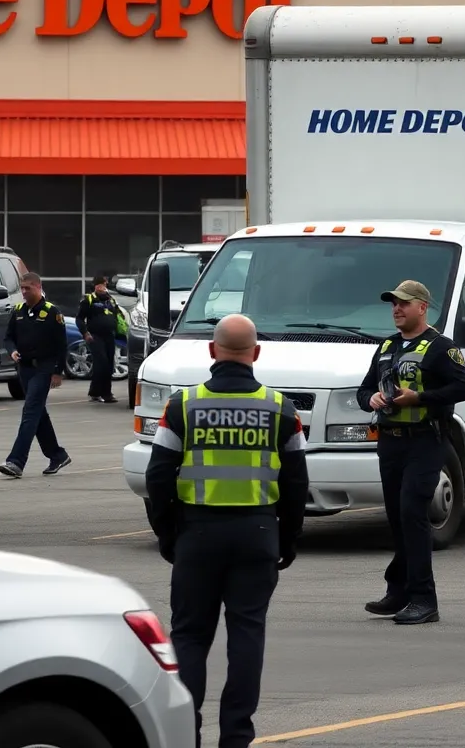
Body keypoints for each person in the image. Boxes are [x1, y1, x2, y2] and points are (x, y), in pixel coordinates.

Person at [145, 314, 308, 748]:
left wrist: (167, 533)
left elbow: (158, 475)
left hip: (197, 534)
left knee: (191, 637)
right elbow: (296, 482)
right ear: (255, 353)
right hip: (257, 532)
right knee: (247, 634)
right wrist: (287, 538)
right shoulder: (280, 407)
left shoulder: (182, 405)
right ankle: (236, 736)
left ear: (212, 351)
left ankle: (185, 733)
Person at [357, 280, 465, 625]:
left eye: (403, 303)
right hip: (390, 441)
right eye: (393, 303)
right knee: (396, 516)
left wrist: (419, 398)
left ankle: (425, 599)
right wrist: (372, 400)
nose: (396, 309)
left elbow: (464, 387)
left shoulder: (440, 347)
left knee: (413, 513)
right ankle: (400, 591)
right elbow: (365, 389)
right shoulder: (387, 347)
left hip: (425, 440)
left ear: (422, 307)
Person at [0, 272, 72, 478]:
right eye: (21, 288)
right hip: (25, 369)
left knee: (30, 412)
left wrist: (57, 372)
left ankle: (16, 461)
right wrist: (12, 350)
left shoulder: (51, 312)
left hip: (44, 368)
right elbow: (8, 337)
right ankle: (57, 455)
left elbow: (61, 345)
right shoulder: (19, 311)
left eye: (27, 288)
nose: (23, 292)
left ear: (38, 287)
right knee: (38, 413)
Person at [76, 274, 126, 404]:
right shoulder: (89, 300)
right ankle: (106, 394)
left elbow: (117, 315)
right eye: (100, 284)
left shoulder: (110, 300)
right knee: (101, 362)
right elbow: (79, 318)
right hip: (95, 336)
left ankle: (95, 392)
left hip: (109, 335)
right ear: (95, 286)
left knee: (109, 364)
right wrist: (85, 333)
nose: (103, 287)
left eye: (104, 284)